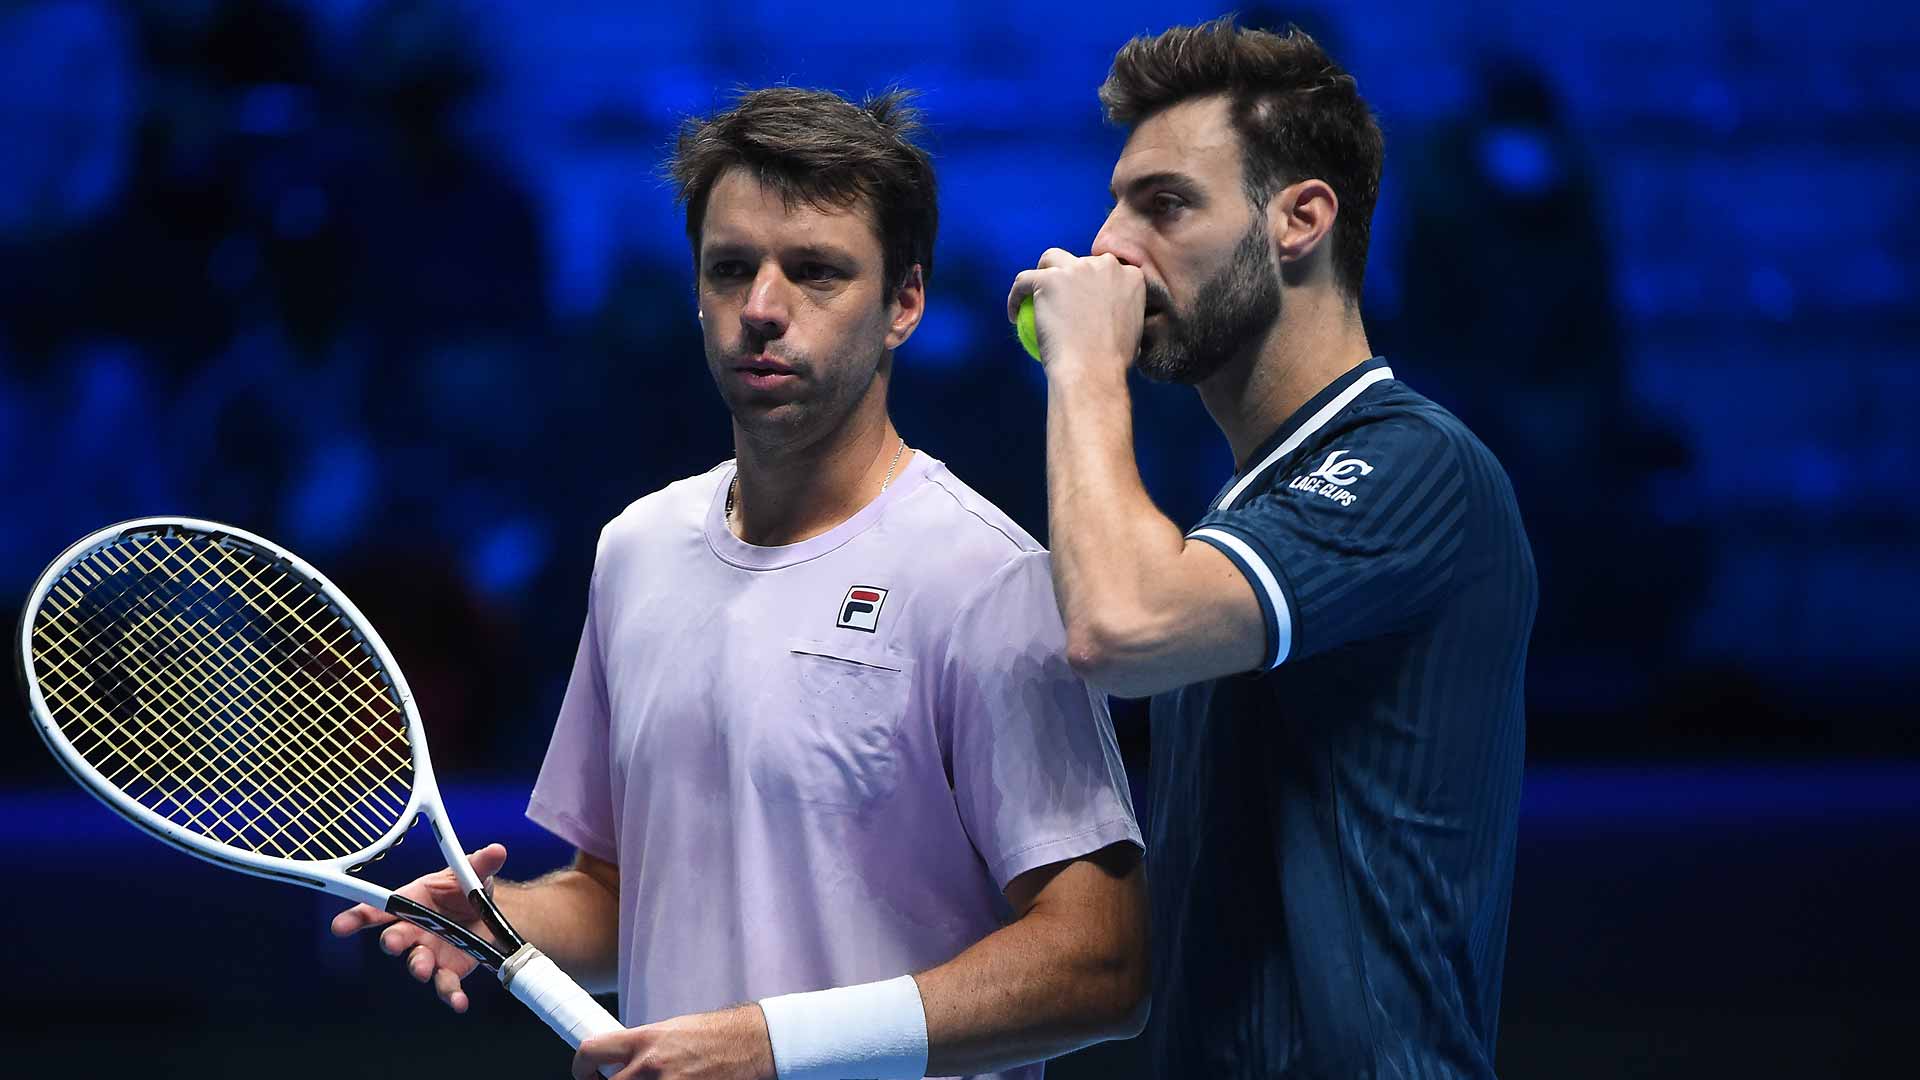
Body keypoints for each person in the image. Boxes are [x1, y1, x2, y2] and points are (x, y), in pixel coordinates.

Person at [332, 87, 1148, 1080]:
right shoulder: (635, 549)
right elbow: (626, 896)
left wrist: (772, 1046)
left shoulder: (989, 578)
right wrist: (505, 919)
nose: (763, 308)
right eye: (731, 270)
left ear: (905, 303)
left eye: (814, 272)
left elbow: (1100, 962)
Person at [1008, 18, 1537, 1079]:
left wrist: (1082, 370)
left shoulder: (1417, 464)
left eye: (1164, 205)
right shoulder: (1242, 512)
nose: (1108, 247)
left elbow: (1120, 626)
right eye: (1114, 202)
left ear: (1300, 219)